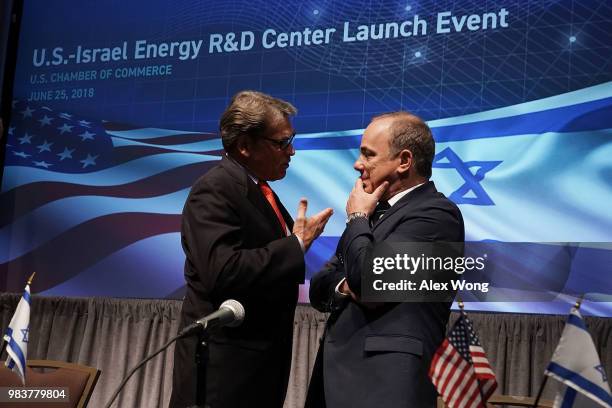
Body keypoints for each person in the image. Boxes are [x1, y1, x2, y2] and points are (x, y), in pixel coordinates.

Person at [170, 90, 333, 408]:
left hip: (258, 364)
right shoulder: (214, 189)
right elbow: (223, 270)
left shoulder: (259, 189)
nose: (292, 151)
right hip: (224, 369)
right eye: (282, 142)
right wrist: (297, 243)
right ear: (245, 146)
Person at [307, 111, 464, 408]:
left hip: (386, 387)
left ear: (404, 161)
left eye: (368, 155)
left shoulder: (437, 215)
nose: (357, 164)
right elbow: (319, 286)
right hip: (336, 382)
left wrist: (356, 217)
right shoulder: (372, 216)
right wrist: (345, 285)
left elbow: (368, 284)